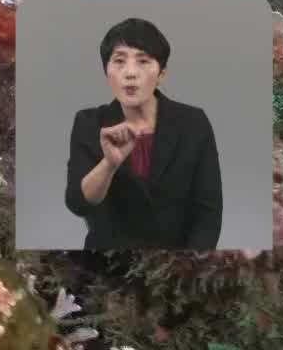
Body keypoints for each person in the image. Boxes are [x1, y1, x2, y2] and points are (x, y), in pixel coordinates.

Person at [64, 17, 222, 249]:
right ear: (106, 72)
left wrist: (187, 269)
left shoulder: (193, 123)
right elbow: (78, 204)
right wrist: (109, 164)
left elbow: (208, 213)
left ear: (161, 74)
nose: (130, 73)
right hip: (106, 265)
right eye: (119, 61)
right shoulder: (89, 123)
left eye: (143, 61)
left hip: (176, 267)